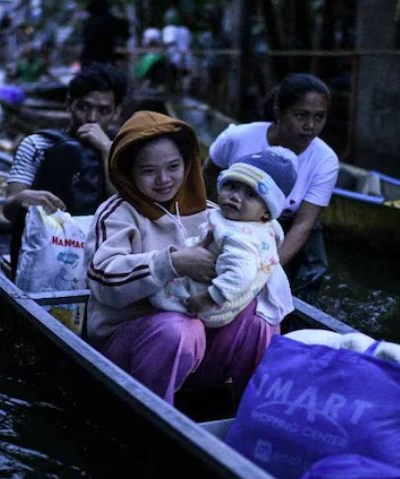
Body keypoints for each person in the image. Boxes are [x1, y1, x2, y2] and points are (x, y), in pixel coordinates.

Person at [84, 111, 291, 404]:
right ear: (129, 171)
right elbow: (102, 279)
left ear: (188, 163)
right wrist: (173, 262)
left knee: (259, 317)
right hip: (131, 342)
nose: (163, 180)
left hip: (200, 336)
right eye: (148, 171)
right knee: (178, 328)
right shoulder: (116, 213)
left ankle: (254, 409)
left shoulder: (213, 212)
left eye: (173, 166)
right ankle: (152, 416)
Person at [203, 73, 339, 291]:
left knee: (309, 278)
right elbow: (205, 179)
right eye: (301, 115)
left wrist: (265, 270)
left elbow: (304, 224)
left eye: (319, 117)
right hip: (230, 215)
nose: (310, 126)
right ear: (279, 111)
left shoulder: (325, 160)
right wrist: (211, 224)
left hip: (285, 224)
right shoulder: (237, 137)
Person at [150, 147, 297, 329]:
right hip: (218, 290)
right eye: (232, 186)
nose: (236, 197)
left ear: (267, 212)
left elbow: (241, 274)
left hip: (205, 299)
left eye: (251, 195)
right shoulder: (263, 227)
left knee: (155, 291)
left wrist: (208, 298)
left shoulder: (239, 237)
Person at [3, 63, 128, 276]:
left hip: (98, 256)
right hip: (40, 254)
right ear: (69, 104)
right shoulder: (36, 145)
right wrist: (24, 196)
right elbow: (9, 210)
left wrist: (107, 149)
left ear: (116, 113)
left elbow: (122, 210)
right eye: (84, 107)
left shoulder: (123, 152)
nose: (92, 118)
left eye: (104, 111)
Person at [79, 0, 129, 66]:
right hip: (104, 59)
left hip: (90, 59)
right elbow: (125, 35)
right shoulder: (109, 21)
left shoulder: (88, 22)